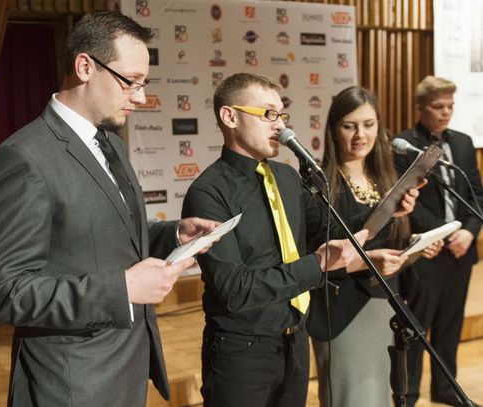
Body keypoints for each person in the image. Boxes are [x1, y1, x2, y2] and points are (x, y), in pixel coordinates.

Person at [0, 11, 219, 407]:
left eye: (144, 84)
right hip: (72, 385)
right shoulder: (23, 159)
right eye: (130, 81)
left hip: (126, 368)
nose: (140, 97)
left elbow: (105, 239)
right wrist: (121, 290)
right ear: (85, 67)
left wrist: (173, 235)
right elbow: (5, 292)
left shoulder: (111, 144)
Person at [181, 73, 419, 407]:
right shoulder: (209, 192)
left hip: (295, 342)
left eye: (282, 115)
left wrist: (389, 208)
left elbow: (332, 231)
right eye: (268, 114)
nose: (280, 125)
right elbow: (236, 289)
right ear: (230, 117)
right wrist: (317, 264)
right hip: (242, 352)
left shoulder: (287, 176)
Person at [306, 86, 442, 407]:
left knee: (379, 396)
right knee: (352, 398)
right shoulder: (319, 184)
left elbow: (389, 246)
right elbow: (315, 257)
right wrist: (369, 259)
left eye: (368, 125)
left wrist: (415, 248)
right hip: (342, 310)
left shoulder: (386, 180)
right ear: (333, 130)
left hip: (386, 304)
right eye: (349, 126)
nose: (360, 135)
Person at [394, 76, 483, 407]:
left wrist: (469, 230)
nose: (446, 112)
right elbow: (405, 201)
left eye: (450, 106)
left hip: (460, 250)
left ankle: (446, 389)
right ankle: (408, 396)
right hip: (426, 250)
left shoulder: (462, 142)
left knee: (450, 325)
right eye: (438, 106)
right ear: (420, 108)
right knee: (416, 327)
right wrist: (443, 232)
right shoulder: (404, 145)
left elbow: (476, 194)